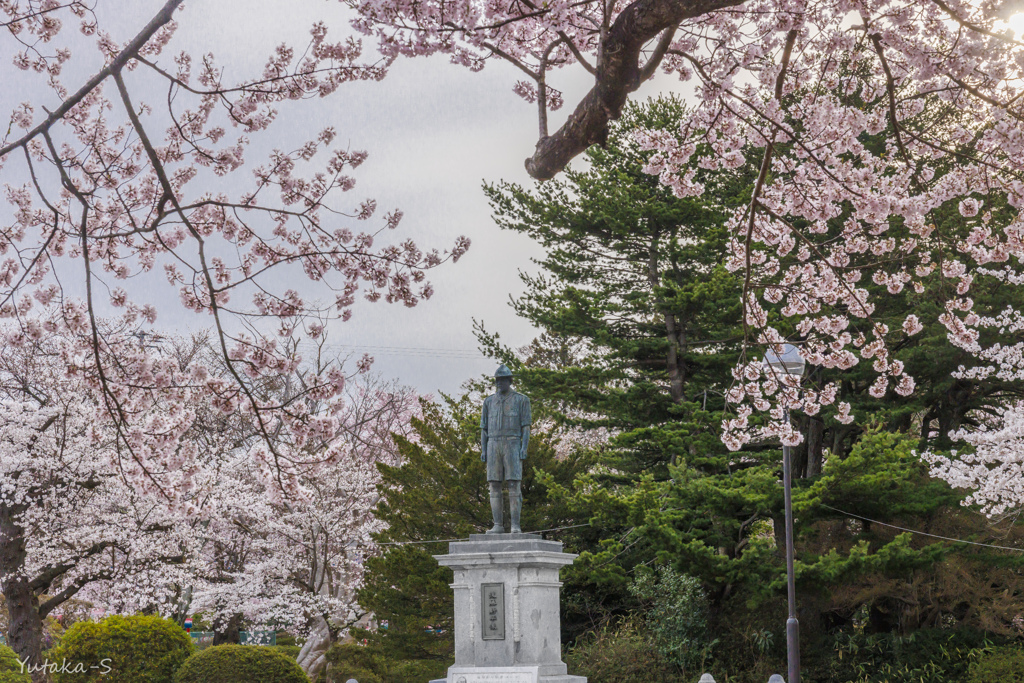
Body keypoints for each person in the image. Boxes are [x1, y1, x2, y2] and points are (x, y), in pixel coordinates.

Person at [480, 365, 531, 534]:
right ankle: (498, 525)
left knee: (513, 484)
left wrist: (524, 447)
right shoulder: (488, 402)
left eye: (503, 380)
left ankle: (515, 525)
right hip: (493, 444)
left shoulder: (521, 400)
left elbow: (526, 427)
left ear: (510, 380)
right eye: (497, 380)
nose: (499, 383)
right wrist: (484, 450)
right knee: (494, 484)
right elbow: (484, 429)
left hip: (512, 443)